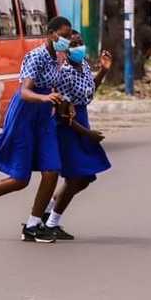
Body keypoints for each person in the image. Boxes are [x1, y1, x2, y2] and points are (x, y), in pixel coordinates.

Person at [0, 16, 73, 243]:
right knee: (20, 179)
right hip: (25, 116)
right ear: (51, 34)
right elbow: (25, 91)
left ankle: (32, 225)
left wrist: (66, 106)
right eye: (64, 36)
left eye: (69, 37)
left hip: (44, 118)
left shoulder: (58, 58)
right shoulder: (36, 56)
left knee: (52, 170)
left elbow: (59, 87)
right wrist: (44, 97)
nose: (67, 41)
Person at [44, 42, 112, 240]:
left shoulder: (83, 65)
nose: (79, 47)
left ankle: (48, 211)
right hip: (69, 128)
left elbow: (89, 92)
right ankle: (51, 222)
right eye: (73, 44)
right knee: (77, 177)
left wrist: (103, 71)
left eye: (81, 43)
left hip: (81, 120)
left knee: (84, 178)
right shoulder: (64, 72)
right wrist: (87, 134)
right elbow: (63, 114)